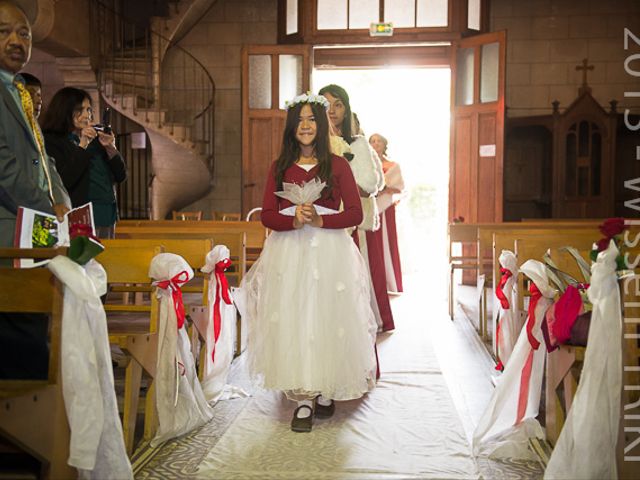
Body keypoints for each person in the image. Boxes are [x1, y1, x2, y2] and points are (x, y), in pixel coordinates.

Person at [240, 92, 377, 433]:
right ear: (291, 126)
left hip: (329, 251)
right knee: (297, 316)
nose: (305, 126)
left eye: (312, 119)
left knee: (326, 315)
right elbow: (268, 216)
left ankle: (327, 385)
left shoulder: (338, 165)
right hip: (291, 251)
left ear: (322, 124)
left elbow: (355, 213)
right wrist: (294, 221)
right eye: (299, 120)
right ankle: (303, 397)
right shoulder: (278, 167)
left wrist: (320, 221)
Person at [0, 0, 70, 379]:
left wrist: (62, 200)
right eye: (4, 31)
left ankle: (33, 424)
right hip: (8, 232)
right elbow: (4, 168)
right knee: (20, 341)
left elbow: (44, 157)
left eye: (24, 34)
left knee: (33, 327)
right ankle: (28, 429)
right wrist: (47, 205)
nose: (16, 40)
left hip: (33, 226)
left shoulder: (20, 91)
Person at [318, 84, 395, 332]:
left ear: (346, 108)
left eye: (338, 105)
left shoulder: (360, 144)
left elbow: (372, 183)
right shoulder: (312, 142)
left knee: (361, 281)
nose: (332, 111)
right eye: (326, 105)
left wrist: (341, 184)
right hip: (322, 224)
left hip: (357, 224)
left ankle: (364, 328)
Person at [42, 87, 126, 238]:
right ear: (65, 110)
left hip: (106, 214)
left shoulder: (95, 140)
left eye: (89, 110)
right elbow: (65, 180)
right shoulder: (52, 141)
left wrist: (110, 147)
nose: (87, 115)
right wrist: (82, 146)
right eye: (80, 110)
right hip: (79, 215)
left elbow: (120, 175)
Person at [370, 133, 405, 293]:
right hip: (371, 206)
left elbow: (399, 187)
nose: (375, 143)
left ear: (384, 144)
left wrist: (384, 188)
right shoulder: (367, 165)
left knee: (387, 240)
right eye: (372, 141)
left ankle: (390, 282)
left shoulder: (393, 166)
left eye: (378, 141)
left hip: (386, 207)